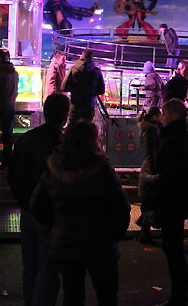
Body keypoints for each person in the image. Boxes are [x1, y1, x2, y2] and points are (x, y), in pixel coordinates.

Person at [30, 121, 130, 306]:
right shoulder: (101, 167)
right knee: (107, 296)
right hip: (100, 244)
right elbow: (121, 206)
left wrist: (57, 226)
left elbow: (37, 204)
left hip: (66, 245)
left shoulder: (54, 166)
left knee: (72, 295)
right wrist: (114, 235)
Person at [8, 93, 71, 306]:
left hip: (27, 209)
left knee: (30, 265)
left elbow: (13, 173)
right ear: (65, 116)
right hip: (51, 215)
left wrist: (22, 199)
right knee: (48, 268)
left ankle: (30, 300)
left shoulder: (26, 139)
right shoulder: (63, 144)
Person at [149, 99, 188, 306]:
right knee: (174, 249)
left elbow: (168, 171)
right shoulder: (185, 136)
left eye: (164, 113)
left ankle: (178, 298)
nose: (162, 117)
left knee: (173, 250)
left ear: (172, 115)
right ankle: (178, 296)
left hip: (172, 200)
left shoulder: (173, 138)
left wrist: (154, 183)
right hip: (179, 198)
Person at [136, 107, 161, 244]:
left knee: (149, 202)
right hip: (151, 169)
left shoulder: (150, 130)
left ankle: (144, 226)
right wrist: (153, 171)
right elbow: (150, 153)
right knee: (150, 201)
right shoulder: (151, 131)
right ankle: (144, 231)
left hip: (150, 168)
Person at [63, 49, 106, 121]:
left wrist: (74, 90)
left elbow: (64, 87)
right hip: (89, 104)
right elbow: (101, 90)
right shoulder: (96, 71)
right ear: (91, 58)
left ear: (81, 57)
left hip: (75, 103)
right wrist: (92, 93)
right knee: (86, 125)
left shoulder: (73, 69)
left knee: (73, 124)